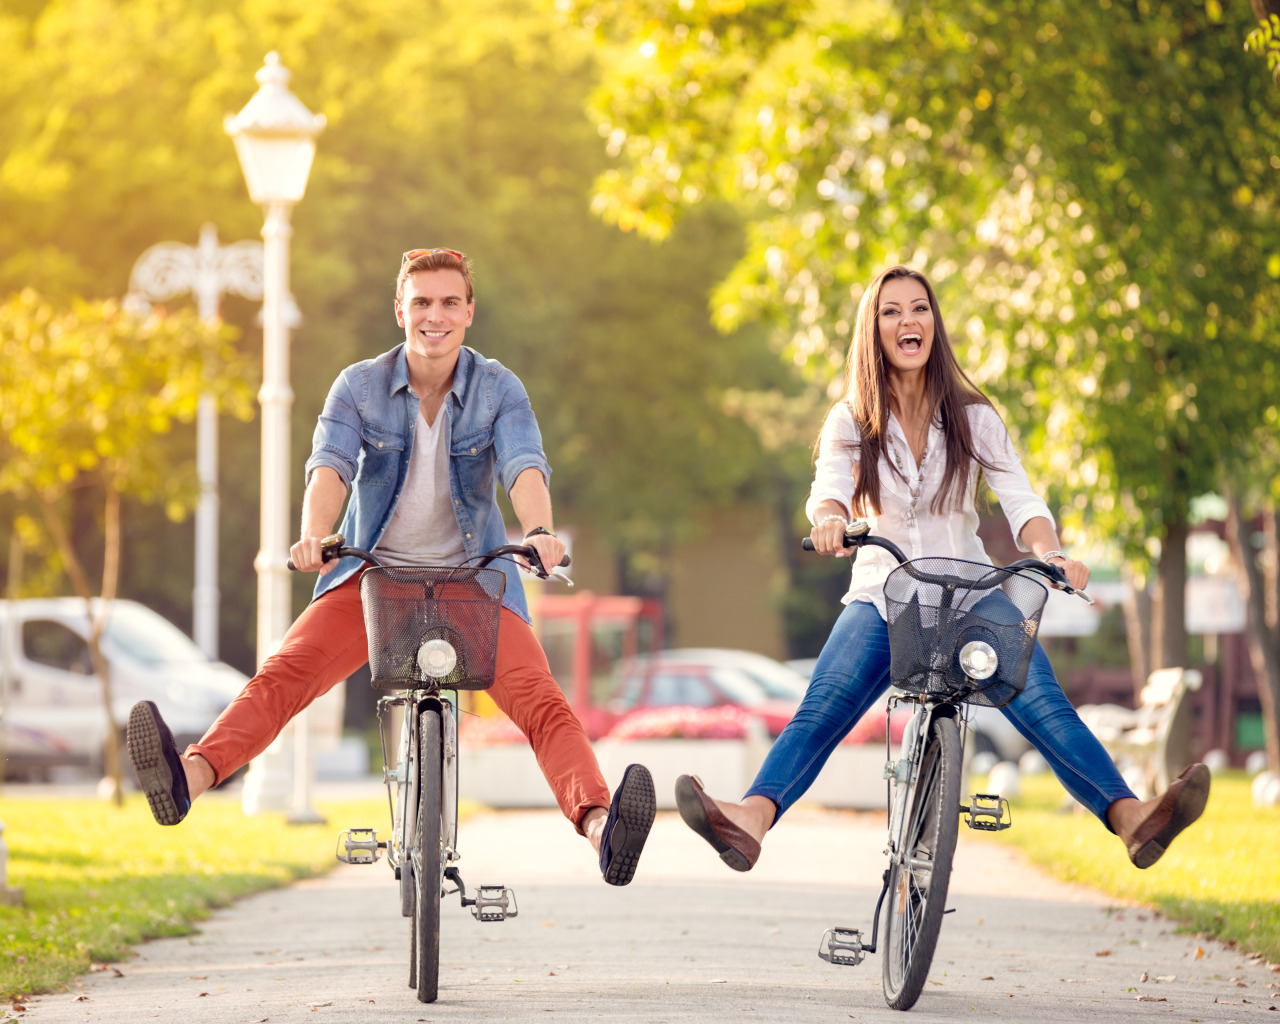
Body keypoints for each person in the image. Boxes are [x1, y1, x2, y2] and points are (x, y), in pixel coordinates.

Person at [127, 248, 655, 886]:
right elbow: (331, 463)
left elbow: (524, 463)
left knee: (544, 704)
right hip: (372, 580)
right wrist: (313, 536)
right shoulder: (359, 386)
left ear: (469, 313)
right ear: (400, 309)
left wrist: (539, 531)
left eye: (449, 303)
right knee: (284, 676)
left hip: (472, 584)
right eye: (422, 302)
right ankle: (188, 779)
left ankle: (603, 830)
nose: (436, 315)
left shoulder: (498, 387)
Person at [675, 264, 1208, 873]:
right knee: (823, 705)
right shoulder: (850, 420)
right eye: (892, 311)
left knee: (1043, 702)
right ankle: (749, 822)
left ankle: (1131, 818)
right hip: (884, 592)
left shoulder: (974, 416)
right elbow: (828, 492)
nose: (909, 320)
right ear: (872, 330)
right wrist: (829, 521)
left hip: (971, 593)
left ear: (935, 323)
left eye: (920, 308)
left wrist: (1051, 552)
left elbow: (1023, 501)